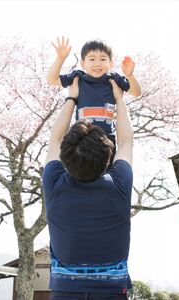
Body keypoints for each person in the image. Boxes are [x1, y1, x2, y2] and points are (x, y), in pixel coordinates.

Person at [42, 75, 134, 299]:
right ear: (107, 157)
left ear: (66, 157)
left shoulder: (54, 182)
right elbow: (126, 141)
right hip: (112, 293)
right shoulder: (119, 184)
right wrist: (119, 99)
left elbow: (54, 140)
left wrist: (72, 97)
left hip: (64, 293)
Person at [46, 36, 141, 154]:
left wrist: (130, 76)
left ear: (111, 63)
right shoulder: (78, 77)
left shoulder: (114, 79)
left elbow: (137, 92)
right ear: (83, 63)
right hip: (82, 137)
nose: (97, 63)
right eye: (92, 59)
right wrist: (60, 59)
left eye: (102, 59)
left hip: (107, 139)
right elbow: (52, 80)